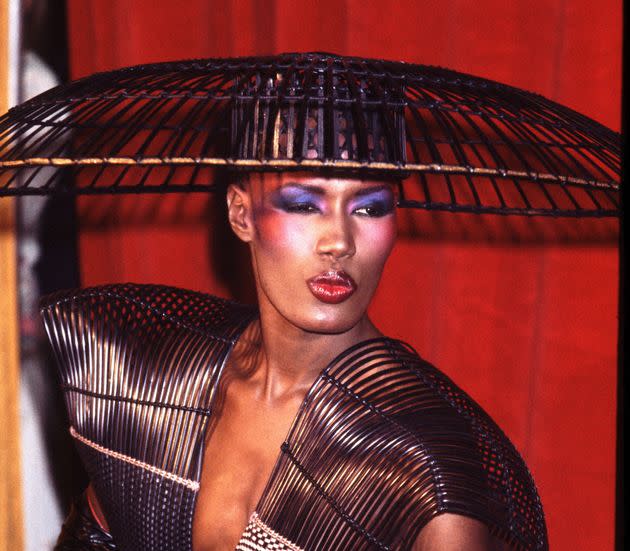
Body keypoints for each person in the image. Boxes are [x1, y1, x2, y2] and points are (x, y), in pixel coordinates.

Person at [42, 169, 548, 551]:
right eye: (305, 205)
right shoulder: (156, 380)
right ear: (242, 214)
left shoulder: (420, 473)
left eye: (369, 208)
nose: (339, 242)